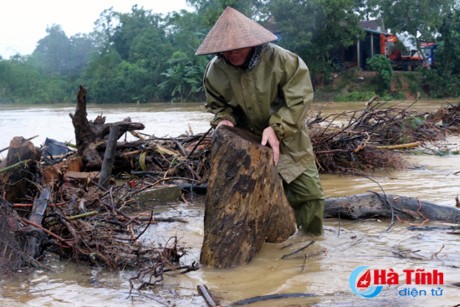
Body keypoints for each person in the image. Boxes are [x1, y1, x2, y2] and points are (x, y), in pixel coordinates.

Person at [195, 7, 325, 235]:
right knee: (252, 203)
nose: (231, 53)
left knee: (309, 197)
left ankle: (311, 249)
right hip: (250, 145)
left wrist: (277, 128)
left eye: (237, 47)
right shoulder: (215, 71)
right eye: (225, 49)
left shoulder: (283, 60)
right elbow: (218, 105)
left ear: (252, 42)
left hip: (290, 139)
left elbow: (300, 98)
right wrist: (223, 120)